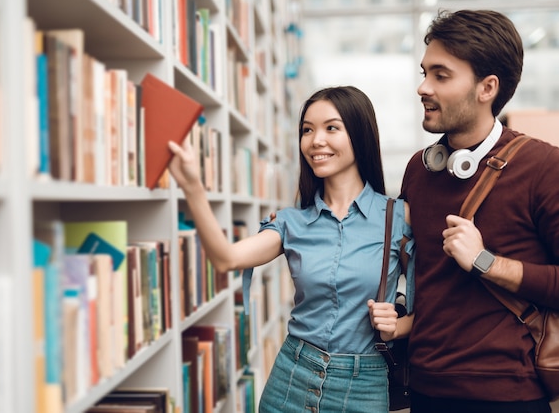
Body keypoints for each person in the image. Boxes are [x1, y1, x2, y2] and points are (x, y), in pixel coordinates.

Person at [168, 85, 415, 412]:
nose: (316, 141)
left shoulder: (398, 216)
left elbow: (434, 309)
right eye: (307, 130)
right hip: (291, 377)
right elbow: (226, 258)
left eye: (331, 128)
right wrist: (193, 188)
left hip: (363, 385)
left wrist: (396, 326)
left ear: (360, 134)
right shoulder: (290, 223)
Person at [401, 9, 559, 413]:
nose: (423, 87)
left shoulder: (549, 170)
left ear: (487, 88)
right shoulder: (420, 168)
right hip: (426, 390)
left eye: (441, 75)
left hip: (507, 397)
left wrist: (487, 262)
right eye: (423, 72)